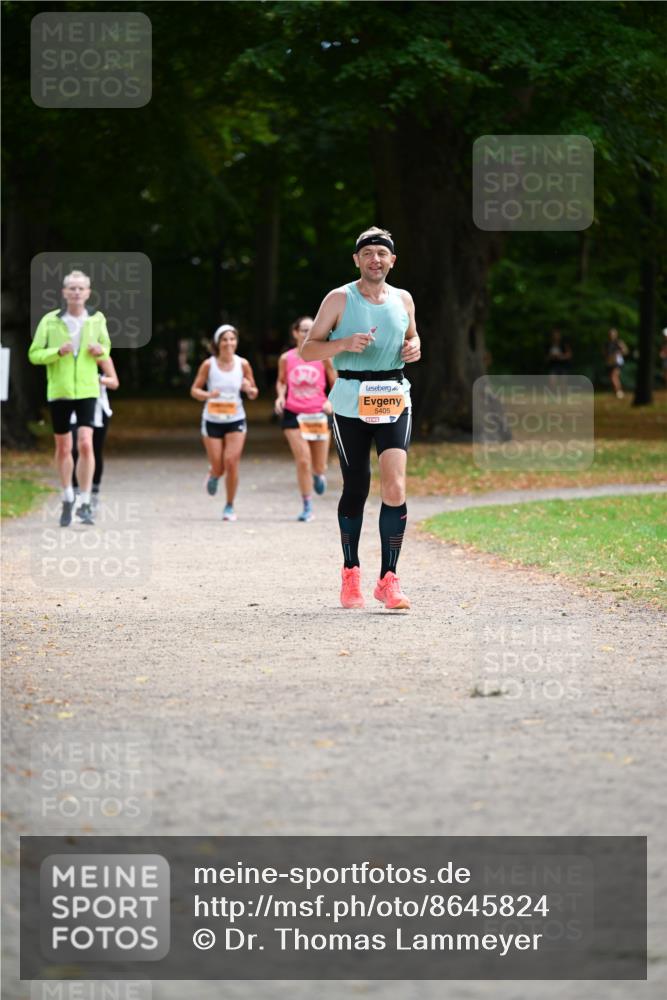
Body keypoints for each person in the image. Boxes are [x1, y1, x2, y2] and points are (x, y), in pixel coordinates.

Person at [300, 226, 421, 610]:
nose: (375, 259)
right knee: (356, 486)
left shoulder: (403, 299)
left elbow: (412, 338)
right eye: (367, 253)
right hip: (351, 399)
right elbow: (307, 350)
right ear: (357, 259)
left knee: (395, 486)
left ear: (392, 260)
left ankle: (389, 579)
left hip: (393, 396)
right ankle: (350, 572)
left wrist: (415, 346)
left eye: (381, 254)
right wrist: (343, 344)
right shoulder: (339, 298)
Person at [28, 269, 111, 527]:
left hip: (87, 390)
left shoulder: (96, 320)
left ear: (88, 293)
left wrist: (100, 350)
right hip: (60, 390)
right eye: (72, 288)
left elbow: (106, 349)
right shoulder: (50, 321)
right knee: (64, 447)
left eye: (81, 288)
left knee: (86, 443)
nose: (76, 292)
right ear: (64, 293)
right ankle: (67, 496)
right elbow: (34, 354)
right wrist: (57, 352)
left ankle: (85, 502)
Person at [190, 323, 258, 521]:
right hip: (212, 420)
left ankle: (229, 505)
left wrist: (249, 389)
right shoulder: (208, 365)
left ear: (236, 342)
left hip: (235, 418)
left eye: (232, 339)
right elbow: (194, 390)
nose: (229, 343)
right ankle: (213, 474)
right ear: (218, 343)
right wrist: (208, 395)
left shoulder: (243, 364)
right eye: (225, 339)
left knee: (232, 462)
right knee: (219, 466)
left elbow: (253, 391)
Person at [274, 316, 337, 522]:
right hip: (294, 413)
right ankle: (307, 504)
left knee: (318, 465)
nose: (307, 333)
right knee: (303, 460)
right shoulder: (286, 358)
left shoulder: (324, 356)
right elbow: (282, 382)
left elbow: (335, 381)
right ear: (295, 333)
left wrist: (331, 400)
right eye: (303, 330)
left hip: (318, 413)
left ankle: (319, 475)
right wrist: (281, 397)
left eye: (311, 329)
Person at [71, 356, 120, 507]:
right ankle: (76, 490)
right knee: (75, 449)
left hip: (99, 410)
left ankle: (94, 490)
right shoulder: (70, 356)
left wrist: (97, 379)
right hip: (73, 409)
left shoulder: (100, 356)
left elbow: (114, 383)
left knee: (94, 450)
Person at [604, 327, 629, 398]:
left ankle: (619, 391)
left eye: (612, 334)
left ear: (616, 335)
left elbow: (626, 351)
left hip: (618, 362)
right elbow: (604, 353)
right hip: (610, 363)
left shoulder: (618, 342)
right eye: (610, 334)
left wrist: (619, 353)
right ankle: (617, 391)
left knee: (613, 377)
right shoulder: (607, 343)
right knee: (614, 377)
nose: (611, 335)